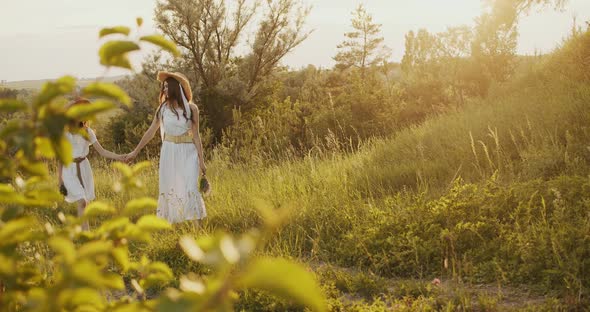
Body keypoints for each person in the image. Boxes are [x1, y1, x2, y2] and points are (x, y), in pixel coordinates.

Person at [124, 71, 207, 225]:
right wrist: (135, 152)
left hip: (189, 152)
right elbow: (150, 132)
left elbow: (196, 136)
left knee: (191, 188)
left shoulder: (192, 109)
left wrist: (202, 162)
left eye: (168, 86)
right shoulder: (162, 109)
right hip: (169, 152)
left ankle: (198, 229)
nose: (165, 90)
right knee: (172, 188)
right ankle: (176, 225)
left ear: (176, 88)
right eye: (164, 87)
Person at [58, 97, 126, 230]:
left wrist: (120, 157)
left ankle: (83, 232)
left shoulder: (88, 132)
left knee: (84, 203)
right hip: (69, 170)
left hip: (84, 168)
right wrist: (60, 180)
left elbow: (102, 151)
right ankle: (86, 234)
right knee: (82, 201)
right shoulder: (64, 132)